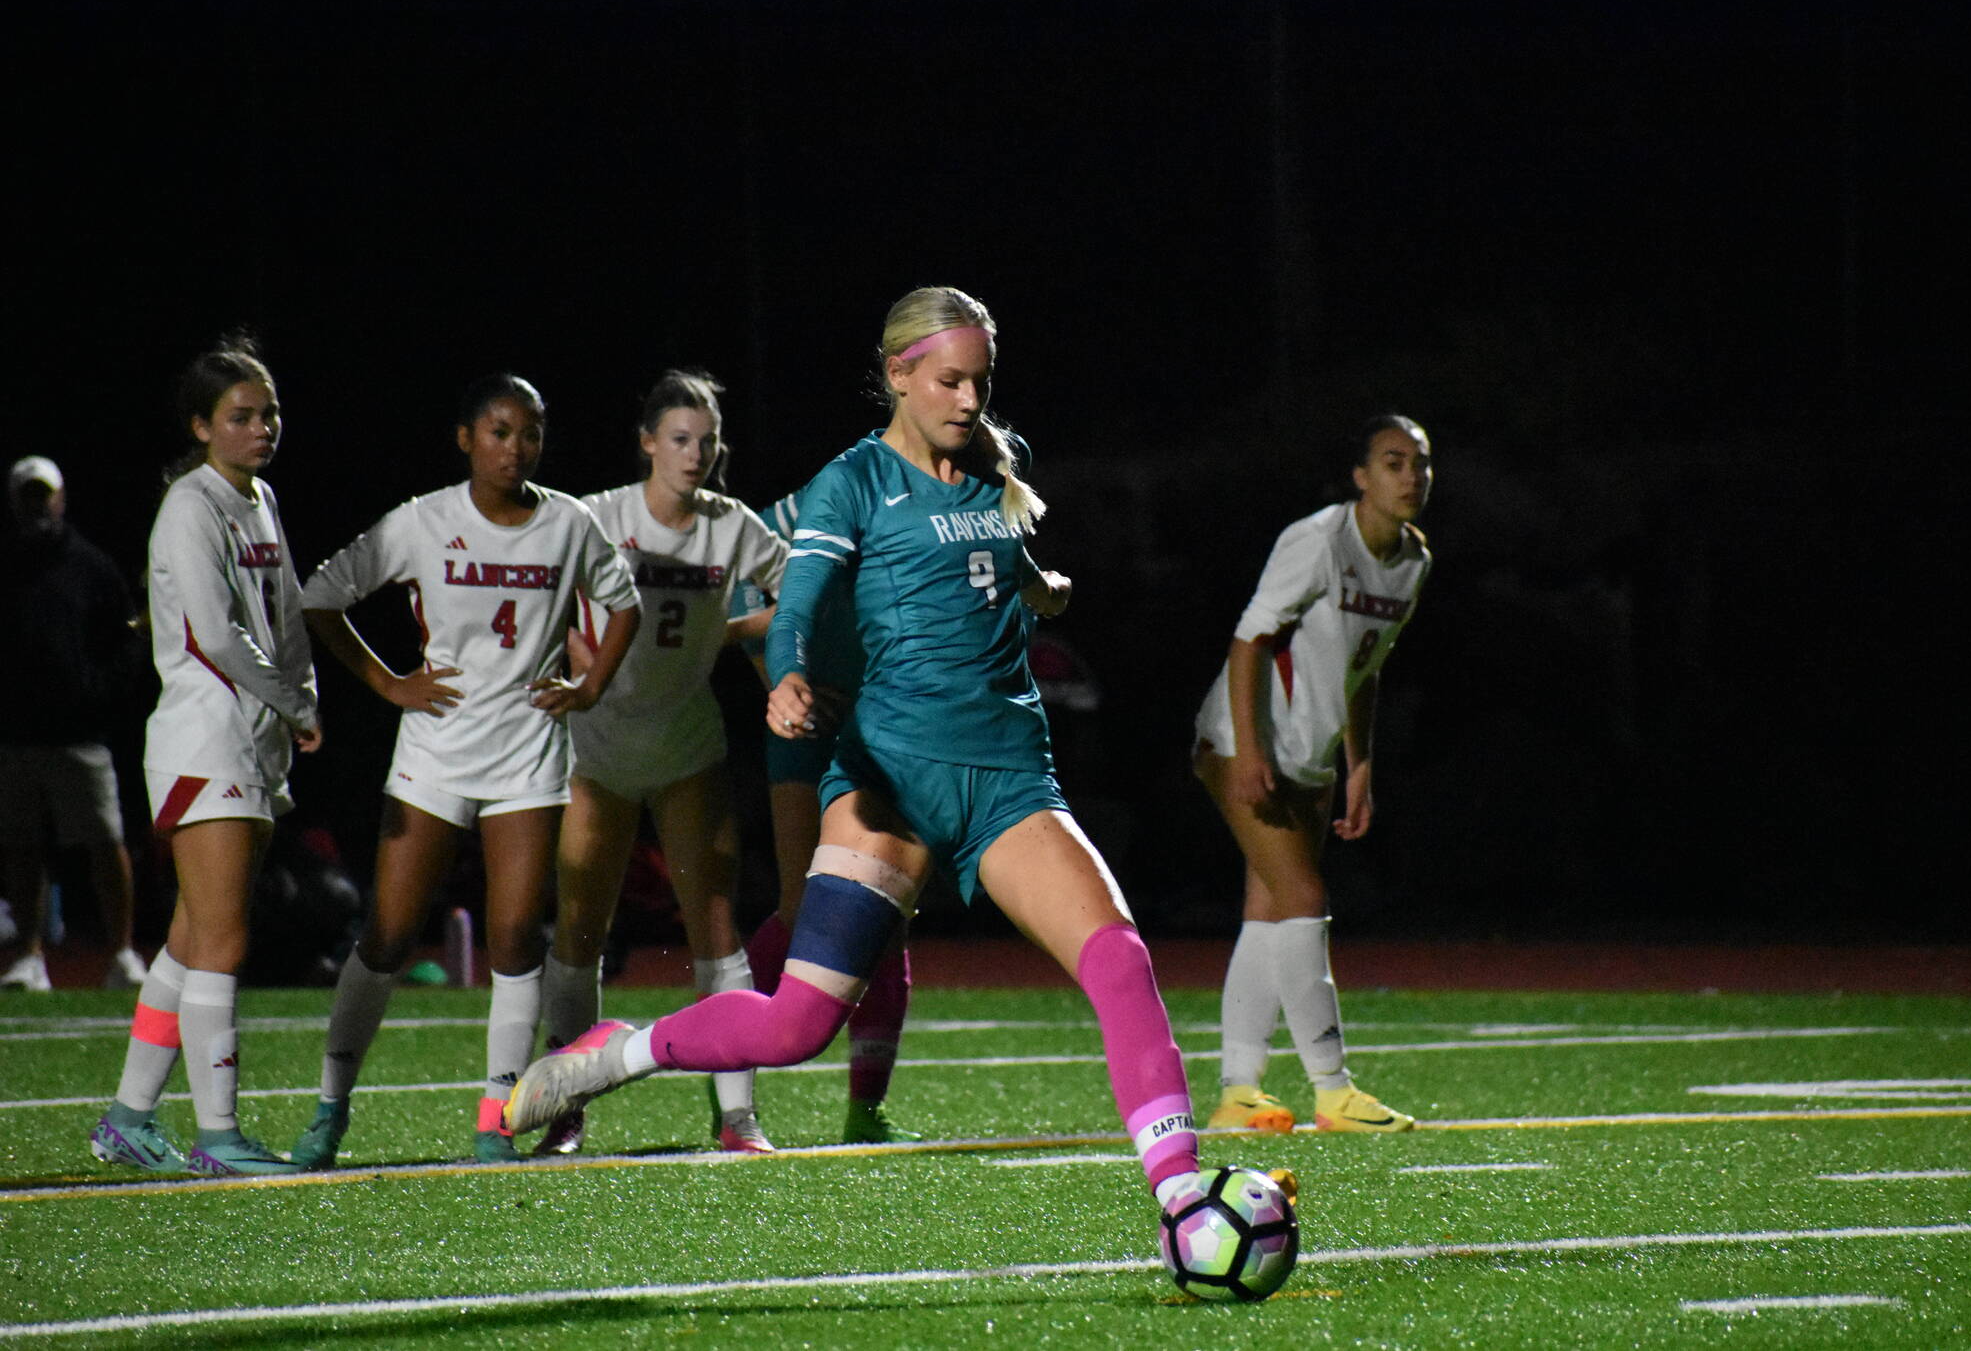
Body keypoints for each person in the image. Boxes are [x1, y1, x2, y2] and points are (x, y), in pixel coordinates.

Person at [505, 287, 1208, 1215]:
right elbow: (796, 602)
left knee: (1118, 960)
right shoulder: (854, 482)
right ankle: (618, 1053)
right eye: (949, 382)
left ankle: (1186, 1202)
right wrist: (789, 673)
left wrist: (1041, 589)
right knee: (796, 1025)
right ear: (898, 376)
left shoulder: (999, 470)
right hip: (890, 783)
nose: (967, 401)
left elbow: (987, 564)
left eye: (980, 384)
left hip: (1009, 781)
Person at [288, 374, 640, 1167]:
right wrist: (388, 683)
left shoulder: (569, 523)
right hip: (435, 756)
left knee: (516, 937)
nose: (515, 448)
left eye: (529, 434)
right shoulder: (424, 519)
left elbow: (625, 606)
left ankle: (495, 1117)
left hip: (527, 757)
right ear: (464, 438)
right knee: (385, 933)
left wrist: (587, 687)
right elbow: (321, 596)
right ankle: (329, 1108)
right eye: (498, 431)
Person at [537, 370, 788, 1157]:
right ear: (648, 441)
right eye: (679, 438)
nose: (695, 453)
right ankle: (564, 1109)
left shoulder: (732, 524)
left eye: (707, 439)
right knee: (580, 926)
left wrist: (736, 632)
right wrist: (582, 670)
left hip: (688, 748)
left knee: (715, 929)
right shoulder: (598, 516)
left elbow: (804, 593)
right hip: (599, 750)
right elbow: (544, 599)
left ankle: (738, 1119)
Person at [88, 338, 320, 1175]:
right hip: (201, 737)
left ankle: (127, 1117)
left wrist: (306, 694)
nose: (262, 428)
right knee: (223, 939)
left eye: (270, 414)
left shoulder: (259, 498)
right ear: (201, 425)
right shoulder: (191, 504)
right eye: (242, 416)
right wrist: (289, 698)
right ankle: (217, 1137)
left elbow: (285, 610)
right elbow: (214, 634)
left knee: (190, 940)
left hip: (249, 742)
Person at [1192, 414, 1433, 1135]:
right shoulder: (1319, 540)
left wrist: (1359, 763)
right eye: (1393, 462)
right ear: (1361, 476)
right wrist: (1253, 751)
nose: (1410, 476)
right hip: (1243, 738)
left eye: (1421, 463)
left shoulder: (1414, 559)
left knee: (1269, 913)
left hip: (1310, 751)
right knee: (1302, 895)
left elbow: (1366, 664)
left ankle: (1238, 1091)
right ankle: (1334, 1089)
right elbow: (1249, 638)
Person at [737, 484, 920, 1146]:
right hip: (807, 731)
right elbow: (741, 603)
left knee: (888, 917)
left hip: (878, 732)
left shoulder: (937, 500)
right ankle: (729, 1076)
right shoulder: (829, 492)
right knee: (796, 906)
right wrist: (787, 691)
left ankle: (865, 1111)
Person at [0, 455, 148, 993]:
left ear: (60, 499)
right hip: (17, 736)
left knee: (105, 843)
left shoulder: (91, 566)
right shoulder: (7, 564)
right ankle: (30, 956)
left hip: (80, 734)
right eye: (28, 496)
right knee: (21, 846)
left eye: (45, 495)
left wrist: (98, 698)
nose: (38, 505)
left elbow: (126, 642)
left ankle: (123, 954)